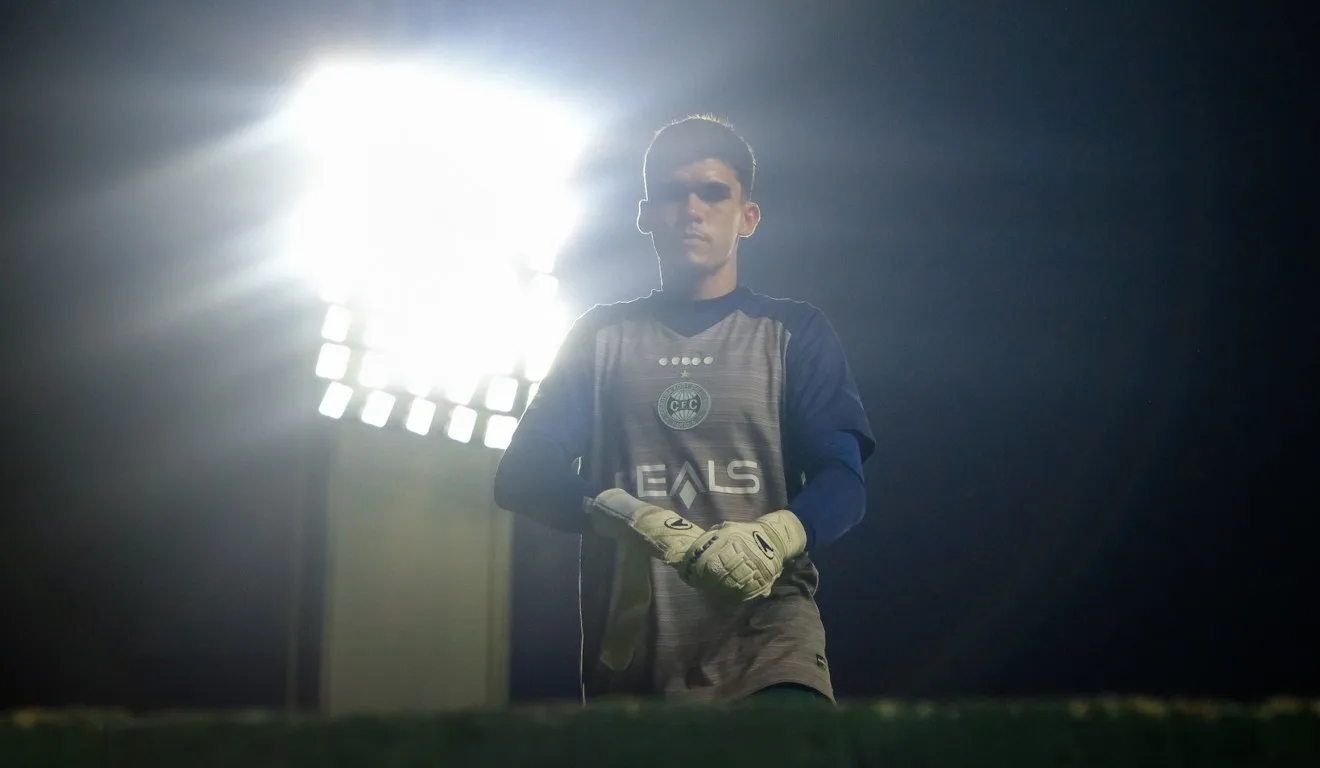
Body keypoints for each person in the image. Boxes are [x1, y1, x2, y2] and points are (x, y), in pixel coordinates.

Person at [492, 115, 875, 704]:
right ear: (646, 216)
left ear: (748, 216)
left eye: (714, 192)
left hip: (770, 651)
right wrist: (637, 519)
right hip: (635, 668)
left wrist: (773, 537)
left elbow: (843, 480)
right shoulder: (601, 336)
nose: (692, 208)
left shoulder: (793, 331)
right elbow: (523, 473)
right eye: (673, 193)